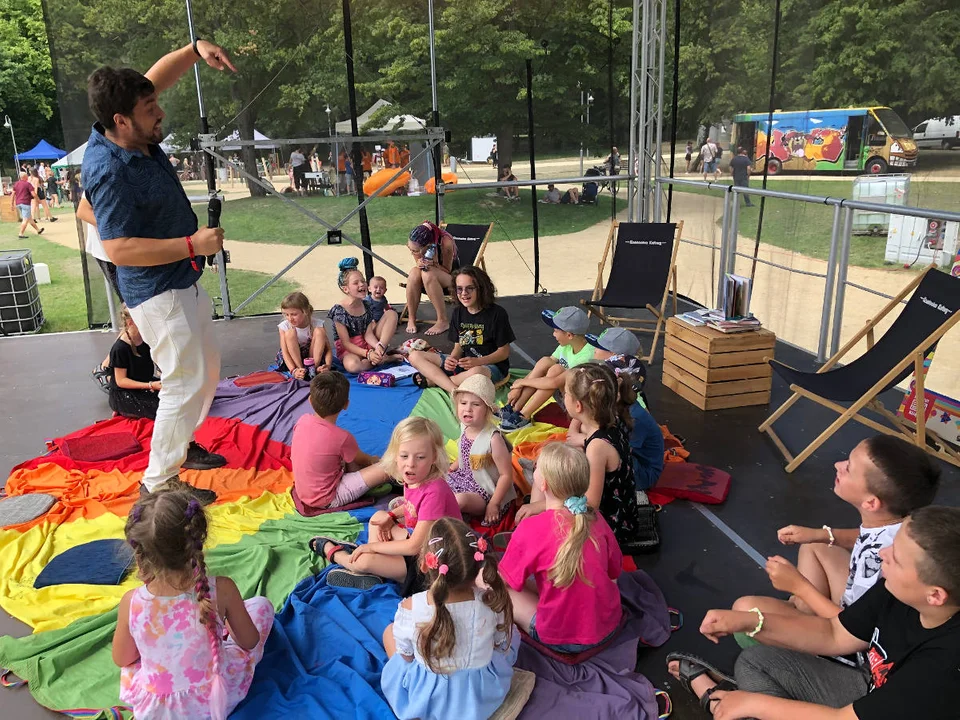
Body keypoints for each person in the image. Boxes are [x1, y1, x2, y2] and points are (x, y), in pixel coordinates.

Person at [82, 39, 238, 502]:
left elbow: (156, 77)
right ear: (121, 120)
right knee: (182, 381)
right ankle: (159, 484)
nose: (161, 114)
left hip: (179, 278)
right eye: (151, 109)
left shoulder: (128, 128)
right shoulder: (109, 169)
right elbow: (119, 248)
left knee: (204, 371)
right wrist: (192, 243)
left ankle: (179, 447)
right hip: (156, 290)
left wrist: (194, 51)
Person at [667, 505, 960, 720]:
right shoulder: (897, 588)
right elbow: (835, 633)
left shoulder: (944, 665)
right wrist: (750, 621)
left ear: (935, 595)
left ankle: (718, 700)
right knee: (755, 662)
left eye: (895, 557)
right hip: (870, 696)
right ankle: (734, 703)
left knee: (754, 703)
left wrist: (755, 704)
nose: (884, 554)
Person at [732, 435, 940, 624]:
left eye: (848, 468)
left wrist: (799, 586)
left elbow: (854, 627)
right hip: (852, 606)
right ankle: (802, 608)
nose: (837, 465)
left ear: (871, 503)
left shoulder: (876, 563)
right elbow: (868, 537)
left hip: (848, 634)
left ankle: (803, 616)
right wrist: (822, 535)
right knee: (815, 546)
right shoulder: (903, 524)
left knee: (743, 609)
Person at [114, 488, 273, 719]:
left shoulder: (132, 601)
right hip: (214, 700)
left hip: (154, 711)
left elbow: (122, 659)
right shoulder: (223, 588)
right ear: (199, 539)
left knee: (133, 665)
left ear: (140, 552)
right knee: (261, 606)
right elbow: (249, 642)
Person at [381, 517, 519, 720]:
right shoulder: (491, 601)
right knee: (511, 633)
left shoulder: (411, 607)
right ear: (477, 564)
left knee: (389, 632)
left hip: (428, 698)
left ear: (425, 565)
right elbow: (500, 645)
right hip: (482, 696)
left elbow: (406, 655)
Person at [313, 417, 460, 592]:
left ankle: (340, 556)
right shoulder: (415, 477)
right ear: (395, 455)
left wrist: (371, 547)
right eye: (404, 456)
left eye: (420, 457)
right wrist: (391, 516)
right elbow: (411, 504)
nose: (410, 463)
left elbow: (414, 546)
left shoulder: (435, 491)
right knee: (378, 518)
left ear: (434, 458)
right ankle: (376, 571)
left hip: (431, 567)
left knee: (364, 560)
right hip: (420, 545)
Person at [500, 442, 623, 653]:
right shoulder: (596, 518)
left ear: (544, 484)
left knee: (498, 586)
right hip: (607, 626)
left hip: (563, 639)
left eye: (536, 467)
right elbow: (614, 571)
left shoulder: (531, 529)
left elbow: (504, 580)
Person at [519, 363, 642, 548]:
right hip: (622, 513)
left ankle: (538, 528)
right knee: (547, 466)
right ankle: (538, 522)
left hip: (612, 527)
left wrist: (538, 506)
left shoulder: (597, 447)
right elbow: (576, 435)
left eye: (565, 394)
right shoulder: (609, 419)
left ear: (577, 405)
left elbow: (590, 505)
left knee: (545, 474)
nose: (563, 396)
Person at [291, 371, 391, 515]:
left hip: (304, 492)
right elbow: (364, 459)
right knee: (385, 469)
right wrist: (375, 460)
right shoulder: (342, 437)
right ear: (346, 405)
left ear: (310, 400)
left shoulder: (302, 420)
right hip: (327, 499)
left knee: (346, 457)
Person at [408, 266, 515, 392]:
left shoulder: (497, 314)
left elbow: (504, 352)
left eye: (470, 288)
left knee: (478, 373)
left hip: (489, 367)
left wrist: (479, 361)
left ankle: (436, 381)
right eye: (459, 289)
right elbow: (458, 346)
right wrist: (452, 359)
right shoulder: (458, 312)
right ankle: (453, 389)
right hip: (464, 364)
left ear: (481, 289)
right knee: (414, 356)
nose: (464, 293)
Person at [586, 329, 663, 490]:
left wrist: (583, 440)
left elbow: (621, 449)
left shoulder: (636, 414)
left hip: (641, 473)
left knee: (595, 453)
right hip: (623, 453)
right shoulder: (615, 401)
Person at [501, 306, 593, 431]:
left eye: (556, 331)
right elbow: (540, 369)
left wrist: (521, 382)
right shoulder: (566, 345)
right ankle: (514, 408)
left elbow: (554, 382)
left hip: (578, 405)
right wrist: (518, 388)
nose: (553, 334)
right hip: (566, 394)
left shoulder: (586, 356)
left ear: (569, 335)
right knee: (546, 361)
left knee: (556, 370)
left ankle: (525, 415)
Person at [446, 375, 516, 525]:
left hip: (485, 491)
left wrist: (494, 504)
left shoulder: (493, 439)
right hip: (462, 478)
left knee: (459, 500)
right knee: (434, 481)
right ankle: (438, 514)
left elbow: (506, 475)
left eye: (476, 404)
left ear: (487, 410)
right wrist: (452, 468)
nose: (468, 409)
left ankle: (441, 521)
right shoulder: (465, 426)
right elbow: (465, 453)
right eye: (463, 403)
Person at [328, 258, 399, 373]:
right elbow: (346, 343)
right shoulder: (339, 311)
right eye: (356, 283)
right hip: (350, 349)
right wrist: (367, 353)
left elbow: (368, 334)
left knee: (391, 314)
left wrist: (377, 346)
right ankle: (383, 359)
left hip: (366, 342)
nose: (362, 284)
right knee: (353, 366)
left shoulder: (366, 304)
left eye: (363, 281)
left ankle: (380, 353)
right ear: (345, 289)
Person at [106, 305, 163, 420]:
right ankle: (122, 409)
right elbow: (121, 381)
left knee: (175, 396)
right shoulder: (120, 348)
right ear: (131, 322)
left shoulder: (146, 340)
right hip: (124, 393)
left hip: (144, 385)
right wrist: (150, 385)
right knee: (163, 409)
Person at [403, 221, 458, 336]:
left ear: (427, 245)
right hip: (429, 272)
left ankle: (442, 320)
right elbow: (420, 267)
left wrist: (433, 263)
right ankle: (411, 318)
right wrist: (420, 262)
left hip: (451, 276)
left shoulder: (445, 242)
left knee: (428, 274)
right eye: (410, 248)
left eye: (415, 251)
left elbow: (448, 270)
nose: (412, 252)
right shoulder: (418, 239)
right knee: (414, 273)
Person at [276, 291, 331, 379]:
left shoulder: (317, 324)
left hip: (313, 356)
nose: (290, 319)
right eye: (286, 315)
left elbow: (328, 349)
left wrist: (328, 365)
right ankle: (301, 370)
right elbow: (285, 352)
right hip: (294, 359)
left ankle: (313, 369)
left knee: (319, 332)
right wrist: (293, 370)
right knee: (290, 333)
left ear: (305, 311)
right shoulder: (284, 326)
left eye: (294, 314)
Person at [10, 171, 43, 239]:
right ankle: (21, 234)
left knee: (29, 218)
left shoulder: (16, 184)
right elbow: (33, 194)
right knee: (25, 219)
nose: (28, 177)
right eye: (27, 176)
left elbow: (12, 194)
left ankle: (38, 230)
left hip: (18, 203)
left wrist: (11, 204)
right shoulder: (28, 184)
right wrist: (38, 200)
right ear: (25, 177)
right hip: (25, 203)